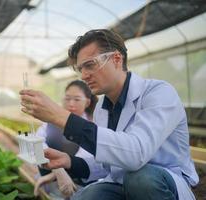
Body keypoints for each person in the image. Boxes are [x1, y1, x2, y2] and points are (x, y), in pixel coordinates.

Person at [20, 29, 199, 200]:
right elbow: (108, 163)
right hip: (121, 183)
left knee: (140, 179)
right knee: (85, 197)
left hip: (161, 185)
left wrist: (60, 117)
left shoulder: (159, 93)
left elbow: (136, 154)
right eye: (80, 68)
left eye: (89, 65)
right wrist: (69, 162)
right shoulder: (102, 108)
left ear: (116, 59)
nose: (83, 76)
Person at [34, 80, 107, 198]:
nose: (71, 104)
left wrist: (53, 174)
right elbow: (37, 143)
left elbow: (84, 161)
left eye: (77, 99)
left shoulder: (93, 127)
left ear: (87, 102)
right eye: (67, 99)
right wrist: (58, 171)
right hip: (55, 180)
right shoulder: (50, 122)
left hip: (80, 183)